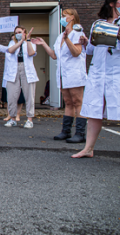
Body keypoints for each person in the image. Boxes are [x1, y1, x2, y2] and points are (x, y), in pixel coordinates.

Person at [72, 0, 120, 169]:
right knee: (94, 112)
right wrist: (85, 43)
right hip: (98, 73)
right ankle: (88, 148)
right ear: (112, 3)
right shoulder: (99, 23)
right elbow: (92, 50)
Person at [32, 8, 87, 142]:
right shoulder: (60, 36)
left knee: (77, 102)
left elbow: (76, 52)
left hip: (75, 73)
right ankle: (66, 131)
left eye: (64, 16)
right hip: (63, 74)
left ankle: (80, 133)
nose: (62, 18)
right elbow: (54, 55)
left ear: (72, 17)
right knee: (68, 102)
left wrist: (67, 39)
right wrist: (43, 43)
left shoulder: (77, 33)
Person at [0, 26, 38, 128]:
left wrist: (28, 40)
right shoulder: (12, 43)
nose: (17, 33)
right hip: (13, 71)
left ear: (24, 32)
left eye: (20, 32)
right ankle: (12, 118)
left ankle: (29, 119)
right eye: (16, 32)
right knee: (12, 96)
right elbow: (10, 50)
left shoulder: (30, 42)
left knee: (29, 95)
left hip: (27, 71)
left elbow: (31, 53)